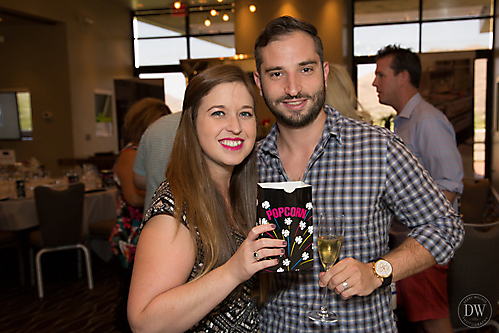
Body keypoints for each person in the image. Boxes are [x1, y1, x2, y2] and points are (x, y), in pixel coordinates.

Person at [252, 16, 464, 332]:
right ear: (259, 82)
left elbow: (445, 225)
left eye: (305, 69)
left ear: (324, 73)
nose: (292, 87)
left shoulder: (378, 148)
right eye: (276, 73)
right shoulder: (250, 163)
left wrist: (379, 270)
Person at [127, 64, 287, 333]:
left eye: (245, 114)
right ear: (192, 122)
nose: (235, 127)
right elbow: (144, 323)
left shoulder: (240, 193)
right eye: (218, 113)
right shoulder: (175, 210)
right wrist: (233, 271)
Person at [373, 45, 464, 333]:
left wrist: (419, 232)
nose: (375, 82)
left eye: (380, 74)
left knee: (433, 321)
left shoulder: (427, 121)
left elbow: (449, 186)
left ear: (403, 77)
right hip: (406, 243)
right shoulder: (403, 122)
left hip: (422, 244)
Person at [109, 97, 171, 332]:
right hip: (132, 231)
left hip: (141, 228)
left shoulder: (144, 150)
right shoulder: (129, 154)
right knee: (130, 295)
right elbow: (133, 197)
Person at [133, 111, 181, 211]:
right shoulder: (206, 125)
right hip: (188, 220)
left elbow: (138, 180)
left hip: (154, 214)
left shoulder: (156, 126)